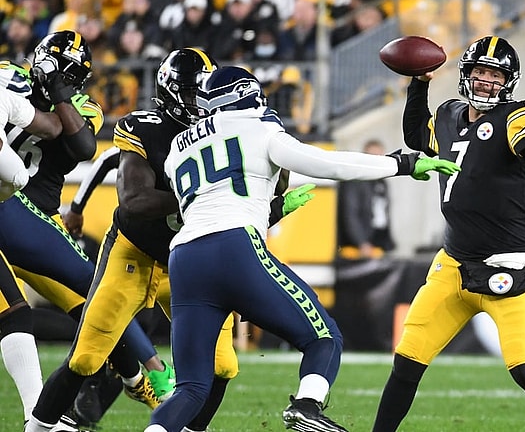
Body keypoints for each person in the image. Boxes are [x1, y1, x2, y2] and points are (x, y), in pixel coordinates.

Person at [143, 66, 459, 432]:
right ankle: (307, 406)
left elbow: (212, 195)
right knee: (323, 337)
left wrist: (271, 208)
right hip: (233, 248)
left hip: (184, 257)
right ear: (248, 95)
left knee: (191, 388)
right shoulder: (258, 128)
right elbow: (327, 164)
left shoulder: (178, 151)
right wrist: (401, 163)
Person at [371, 35, 525, 432]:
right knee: (407, 361)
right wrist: (418, 82)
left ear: (508, 82)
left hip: (505, 267)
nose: (486, 81)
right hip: (453, 265)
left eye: (494, 75)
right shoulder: (449, 114)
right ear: (466, 75)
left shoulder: (516, 118)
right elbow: (416, 137)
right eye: (479, 72)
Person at [24, 48, 239, 432]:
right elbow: (136, 201)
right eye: (193, 93)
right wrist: (202, 195)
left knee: (222, 364)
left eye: (205, 92)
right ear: (172, 92)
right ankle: (37, 428)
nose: (201, 101)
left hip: (189, 259)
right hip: (134, 254)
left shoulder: (225, 130)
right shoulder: (145, 126)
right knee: (86, 358)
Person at [0, 30, 168, 429]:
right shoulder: (8, 77)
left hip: (38, 217)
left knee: (92, 302)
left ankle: (139, 376)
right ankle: (145, 372)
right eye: (60, 68)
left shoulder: (81, 106)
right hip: (11, 208)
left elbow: (82, 146)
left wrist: (57, 92)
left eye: (69, 73)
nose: (61, 75)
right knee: (55, 296)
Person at [0, 70, 64, 428]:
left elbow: (50, 127)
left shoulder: (7, 96)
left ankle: (38, 420)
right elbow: (15, 175)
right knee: (15, 314)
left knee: (15, 313)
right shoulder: (6, 97)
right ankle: (38, 421)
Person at [336, 138, 396, 260]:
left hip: (379, 240)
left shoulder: (382, 183)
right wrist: (361, 242)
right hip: (358, 246)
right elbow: (350, 214)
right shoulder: (355, 181)